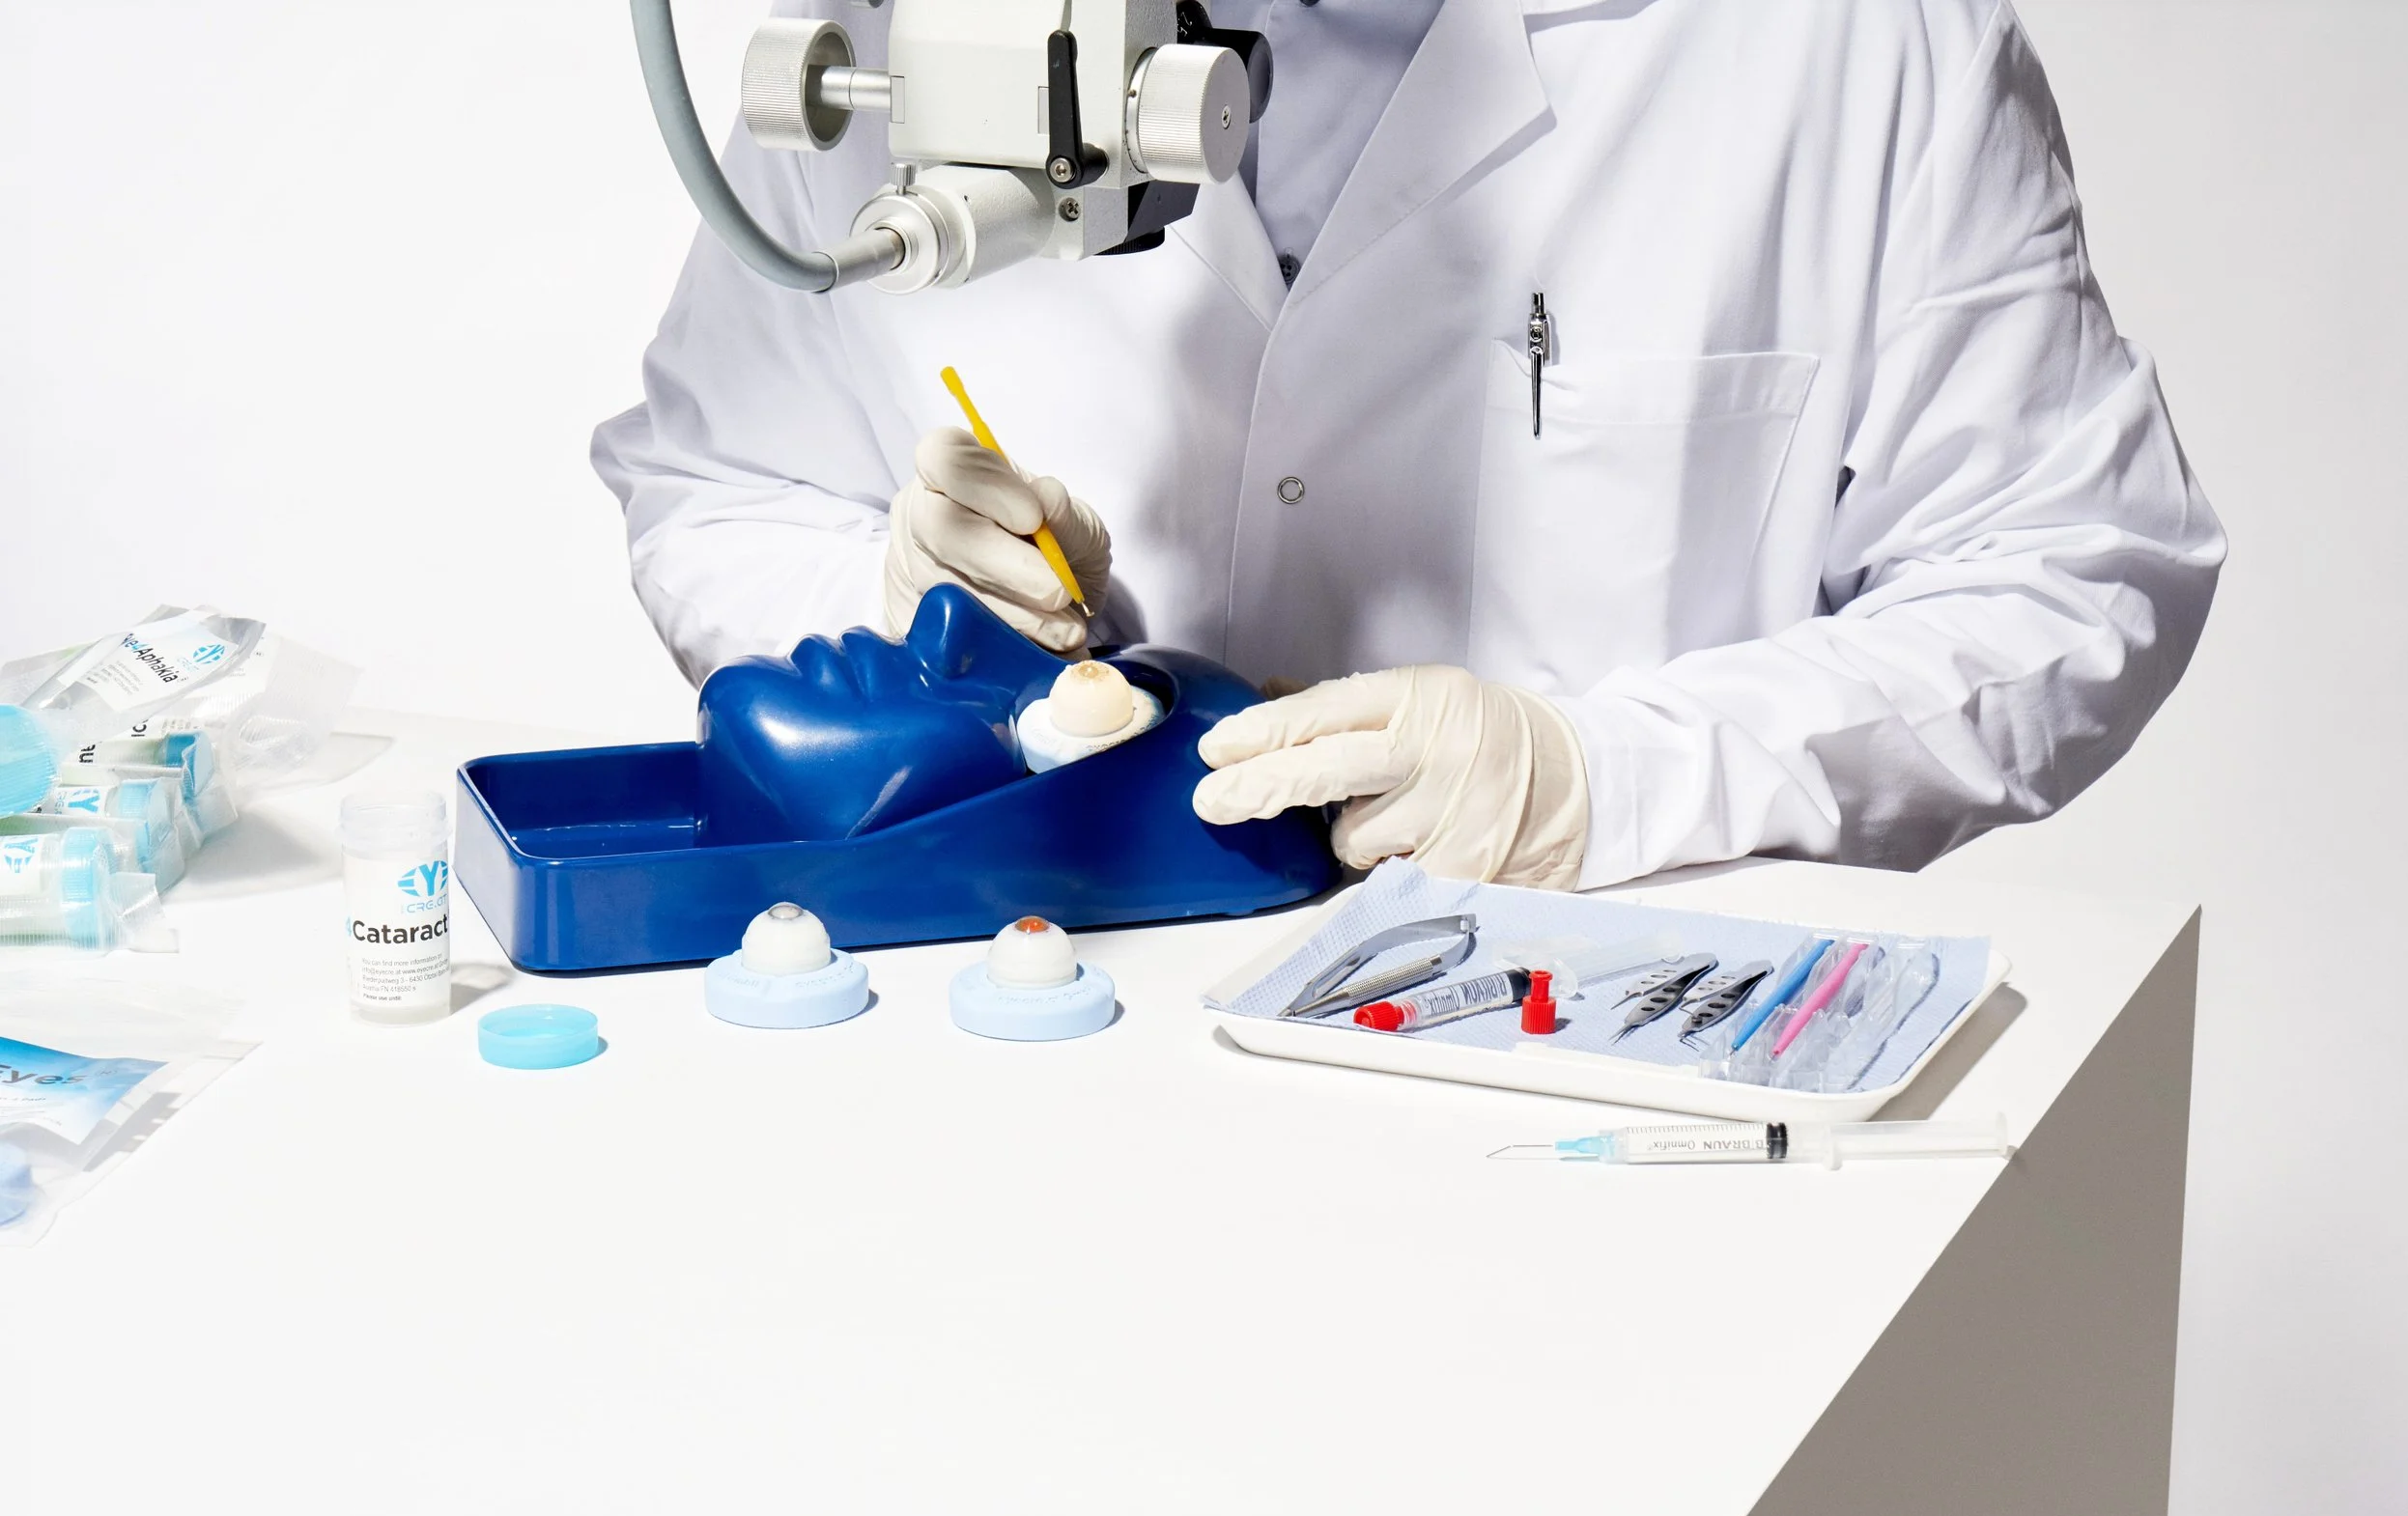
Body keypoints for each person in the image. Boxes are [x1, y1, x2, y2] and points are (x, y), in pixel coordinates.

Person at [594, 0, 2224, 890]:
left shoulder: (1844, 43)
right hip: (1036, 1030)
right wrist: (905, 613)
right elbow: (706, 483)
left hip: (1570, 1086)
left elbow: (2073, 573)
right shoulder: (931, 36)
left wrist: (1608, 778)